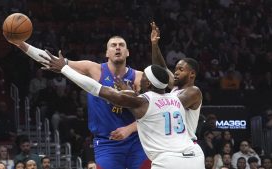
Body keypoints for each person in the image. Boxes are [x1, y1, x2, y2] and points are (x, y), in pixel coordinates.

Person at [40, 52, 205, 168]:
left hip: (168, 161)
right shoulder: (176, 98)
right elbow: (160, 92)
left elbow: (97, 88)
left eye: (144, 79)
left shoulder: (142, 102)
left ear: (148, 84)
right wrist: (129, 92)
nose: (141, 80)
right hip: (195, 155)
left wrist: (64, 68)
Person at [7, 36, 149, 169]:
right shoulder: (93, 69)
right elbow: (53, 60)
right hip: (106, 142)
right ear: (107, 52)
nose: (117, 48)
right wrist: (21, 44)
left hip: (136, 141)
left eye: (121, 45)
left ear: (128, 52)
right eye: (113, 45)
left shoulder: (139, 77)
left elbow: (153, 113)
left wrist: (129, 129)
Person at [150, 22, 202, 142]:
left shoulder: (194, 92)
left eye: (181, 70)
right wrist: (154, 45)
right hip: (172, 143)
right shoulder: (175, 87)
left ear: (192, 74)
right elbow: (160, 69)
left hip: (186, 144)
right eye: (176, 69)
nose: (176, 72)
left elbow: (171, 106)